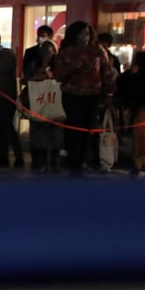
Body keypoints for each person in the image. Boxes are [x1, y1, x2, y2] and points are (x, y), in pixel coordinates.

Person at [52, 20, 116, 175]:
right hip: (72, 95)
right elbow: (58, 75)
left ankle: (82, 160)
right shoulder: (66, 52)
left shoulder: (97, 50)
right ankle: (73, 161)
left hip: (92, 96)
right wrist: (73, 67)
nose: (84, 37)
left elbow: (107, 72)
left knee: (88, 129)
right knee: (75, 127)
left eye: (87, 33)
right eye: (81, 33)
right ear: (74, 35)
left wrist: (109, 93)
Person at [0, 30, 25, 167]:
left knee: (7, 126)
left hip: (5, 96)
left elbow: (1, 70)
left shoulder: (7, 54)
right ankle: (3, 156)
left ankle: (18, 155)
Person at [118, 29, 145, 179]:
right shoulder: (141, 58)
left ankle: (137, 165)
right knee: (142, 134)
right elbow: (131, 78)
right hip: (142, 102)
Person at [24, 39, 63, 172]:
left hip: (54, 103)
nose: (46, 53)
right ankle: (38, 161)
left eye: (49, 51)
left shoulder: (59, 65)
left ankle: (54, 162)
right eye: (44, 50)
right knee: (38, 134)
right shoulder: (34, 64)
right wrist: (43, 70)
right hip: (39, 104)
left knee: (55, 134)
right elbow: (28, 79)